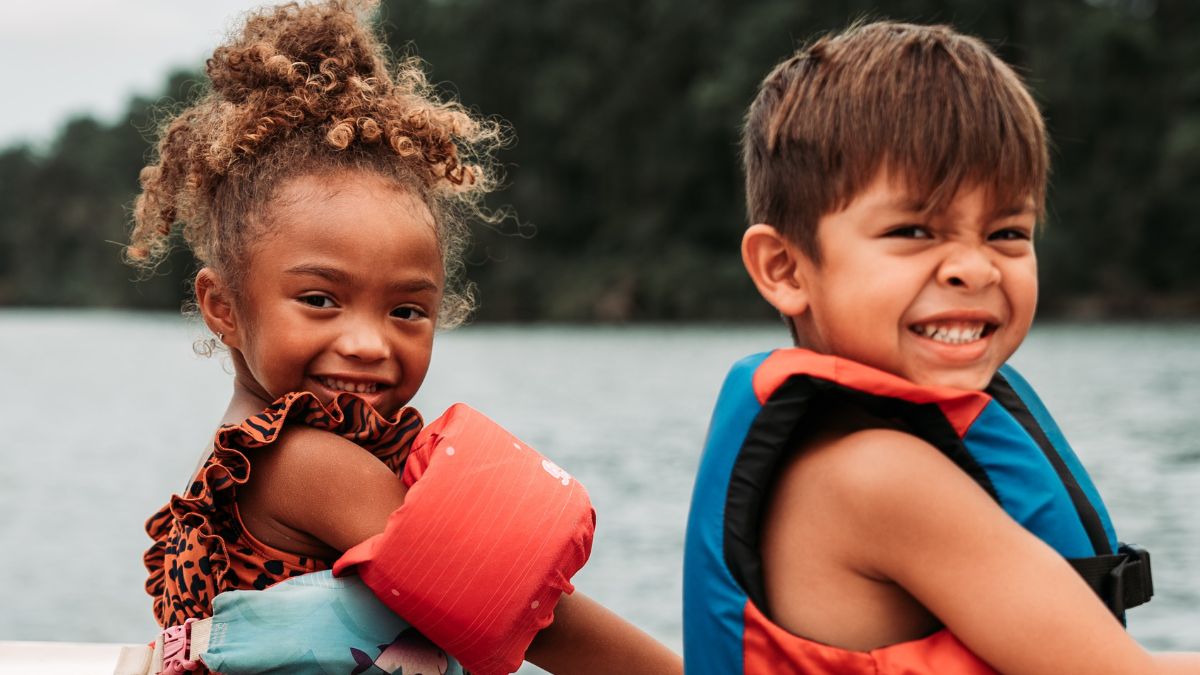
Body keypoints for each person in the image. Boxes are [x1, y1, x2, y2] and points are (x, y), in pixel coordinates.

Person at [127, 2, 680, 673]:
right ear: (224, 307)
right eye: (320, 299)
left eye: (407, 311)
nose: (367, 342)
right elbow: (526, 610)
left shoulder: (253, 447)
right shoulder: (303, 461)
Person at [682, 20, 1200, 674]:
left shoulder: (850, 452)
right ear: (784, 267)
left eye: (1008, 231)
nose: (975, 268)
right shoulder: (877, 477)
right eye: (914, 230)